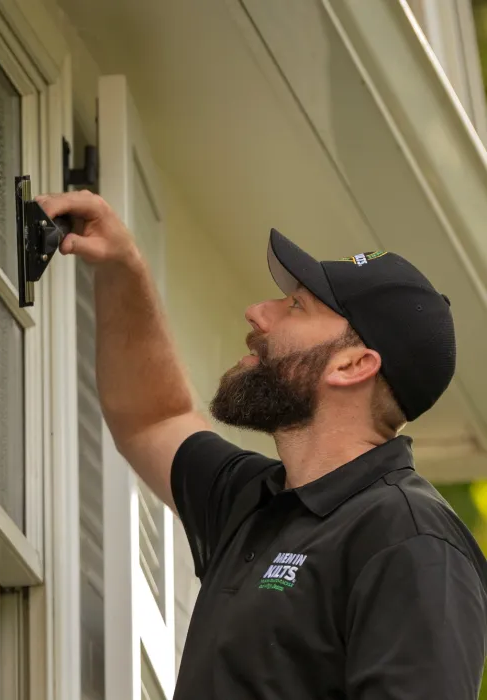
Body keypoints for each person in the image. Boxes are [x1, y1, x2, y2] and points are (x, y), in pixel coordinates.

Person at [37, 189, 487, 699]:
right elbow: (151, 418)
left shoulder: (410, 538)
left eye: (296, 305)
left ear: (352, 365)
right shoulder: (254, 503)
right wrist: (123, 266)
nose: (258, 312)